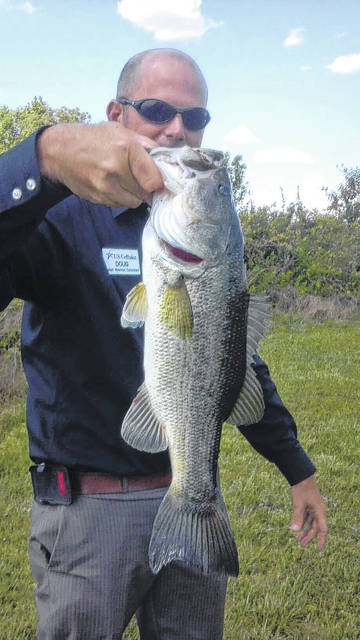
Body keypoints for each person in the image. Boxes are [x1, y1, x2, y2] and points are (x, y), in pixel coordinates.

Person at [0, 48, 327, 640]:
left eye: (195, 118)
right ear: (115, 116)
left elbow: (234, 359)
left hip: (194, 492)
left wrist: (296, 468)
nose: (177, 128)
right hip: (89, 515)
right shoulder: (57, 214)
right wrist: (41, 159)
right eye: (156, 109)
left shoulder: (210, 243)